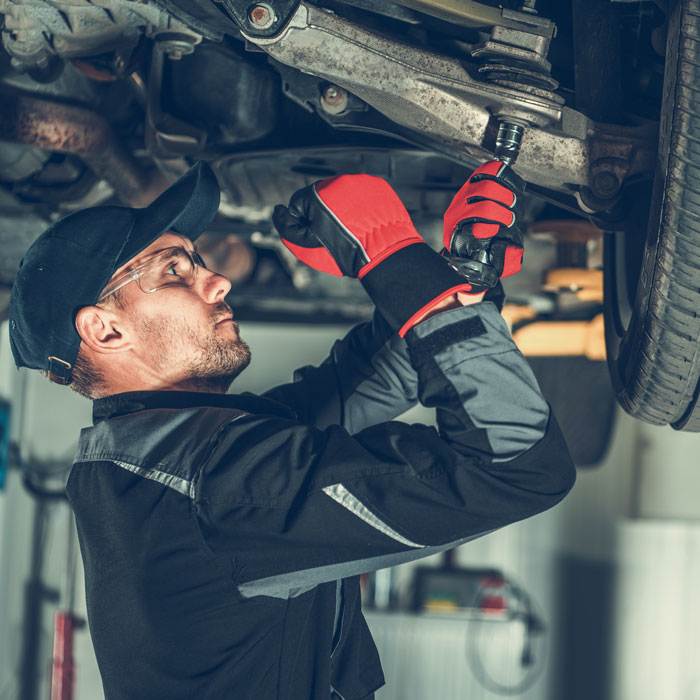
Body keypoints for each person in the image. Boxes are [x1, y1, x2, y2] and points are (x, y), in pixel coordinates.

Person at [8, 160, 575, 700]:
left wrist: (453, 273)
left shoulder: (157, 454)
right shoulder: (212, 485)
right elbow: (518, 464)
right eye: (174, 271)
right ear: (105, 332)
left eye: (197, 260)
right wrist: (389, 253)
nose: (219, 280)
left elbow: (362, 382)